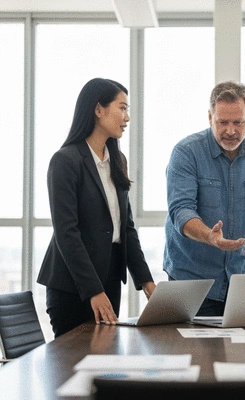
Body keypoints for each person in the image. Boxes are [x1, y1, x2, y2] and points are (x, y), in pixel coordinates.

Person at [37, 78, 156, 338]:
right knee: (73, 367)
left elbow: (126, 229)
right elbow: (67, 233)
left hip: (109, 280)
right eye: (122, 108)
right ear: (98, 109)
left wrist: (147, 282)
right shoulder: (65, 161)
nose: (127, 117)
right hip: (72, 286)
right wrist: (93, 291)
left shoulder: (117, 160)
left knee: (104, 363)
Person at [163, 81, 245, 316]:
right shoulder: (186, 152)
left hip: (241, 280)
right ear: (209, 117)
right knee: (192, 352)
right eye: (222, 122)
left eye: (238, 122)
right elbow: (181, 211)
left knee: (240, 352)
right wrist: (210, 237)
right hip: (191, 279)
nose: (230, 131)